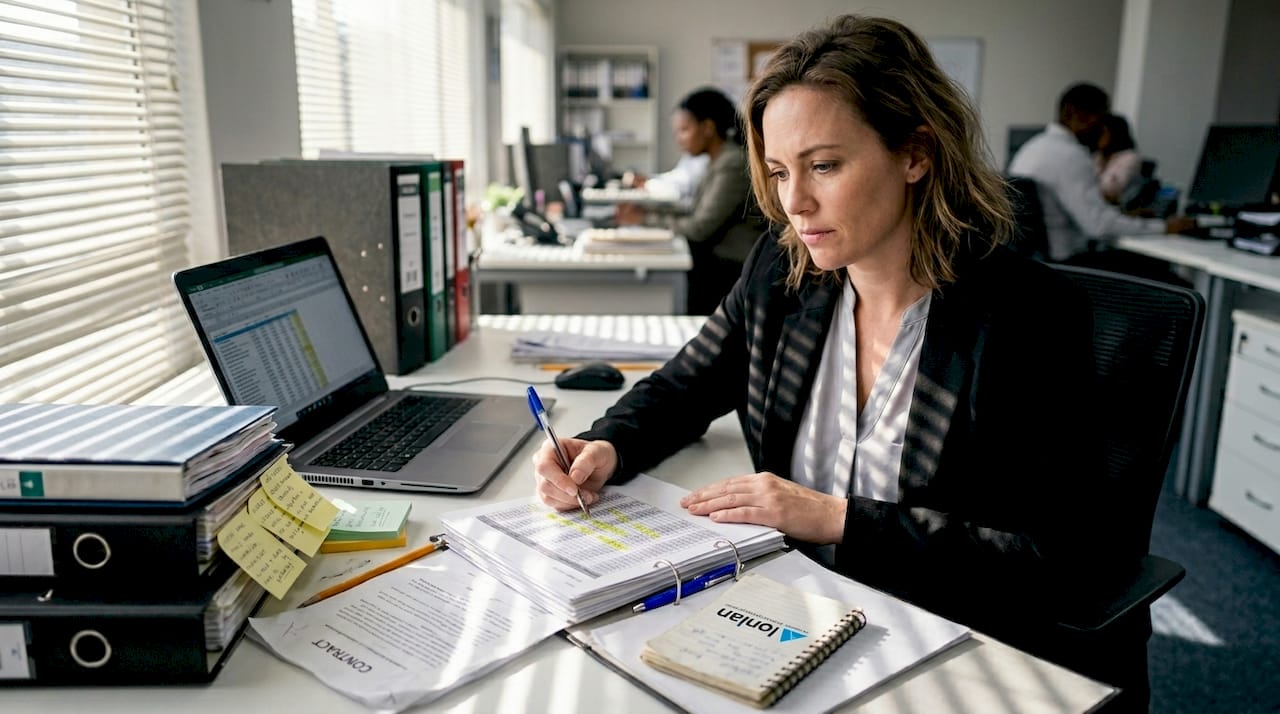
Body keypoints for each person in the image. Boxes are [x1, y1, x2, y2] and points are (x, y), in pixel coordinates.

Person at [535, 15, 1150, 712]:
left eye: (824, 165)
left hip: (953, 644)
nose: (795, 204)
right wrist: (606, 446)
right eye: (778, 172)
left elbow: (1062, 560)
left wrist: (837, 518)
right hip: (798, 614)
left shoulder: (1025, 315)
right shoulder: (782, 271)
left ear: (915, 153)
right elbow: (687, 382)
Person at [615, 87, 763, 315]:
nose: (679, 139)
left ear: (708, 128)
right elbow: (692, 210)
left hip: (729, 269)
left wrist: (643, 218)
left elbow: (699, 227)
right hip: (718, 263)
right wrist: (646, 211)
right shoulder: (717, 160)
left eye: (684, 130)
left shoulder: (731, 163)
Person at [1009, 82, 1195, 262]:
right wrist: (1165, 227)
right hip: (1071, 264)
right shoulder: (1071, 156)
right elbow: (1099, 226)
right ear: (1080, 116)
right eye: (1102, 117)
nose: (1103, 127)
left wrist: (1122, 218)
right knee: (1169, 277)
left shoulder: (1032, 147)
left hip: (1038, 261)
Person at [1094, 113, 1144, 205]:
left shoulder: (1130, 158)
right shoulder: (1098, 156)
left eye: (1101, 132)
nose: (1096, 137)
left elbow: (1110, 190)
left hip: (1118, 209)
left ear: (1115, 133)